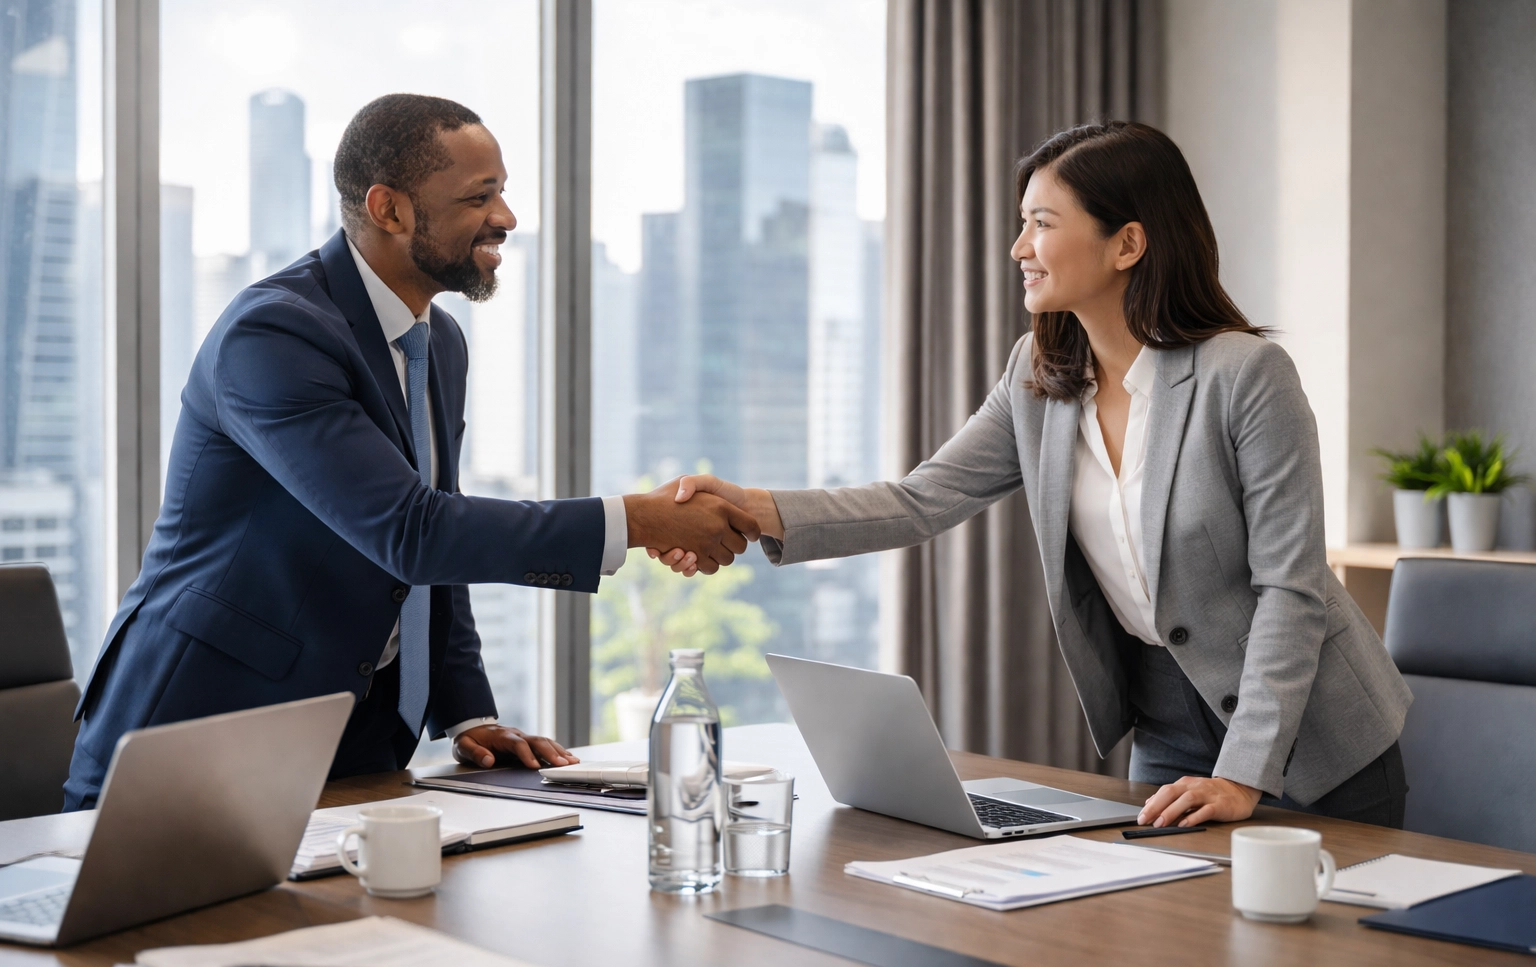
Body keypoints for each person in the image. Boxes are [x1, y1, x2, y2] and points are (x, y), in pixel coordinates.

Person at [654, 121, 1412, 829]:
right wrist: (752, 507)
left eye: (1043, 224)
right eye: (1023, 223)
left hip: (1313, 739)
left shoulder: (1245, 377)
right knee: (1171, 953)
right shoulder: (1039, 376)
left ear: (1128, 244)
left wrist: (1245, 772)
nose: (1020, 246)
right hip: (1169, 729)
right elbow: (924, 499)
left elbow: (1291, 589)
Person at [63, 94, 758, 811]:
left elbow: (437, 531)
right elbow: (410, 531)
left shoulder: (439, 342)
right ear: (389, 209)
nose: (506, 218)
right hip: (194, 737)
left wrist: (469, 713)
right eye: (477, 197)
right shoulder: (273, 335)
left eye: (504, 192)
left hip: (354, 745)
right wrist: (637, 521)